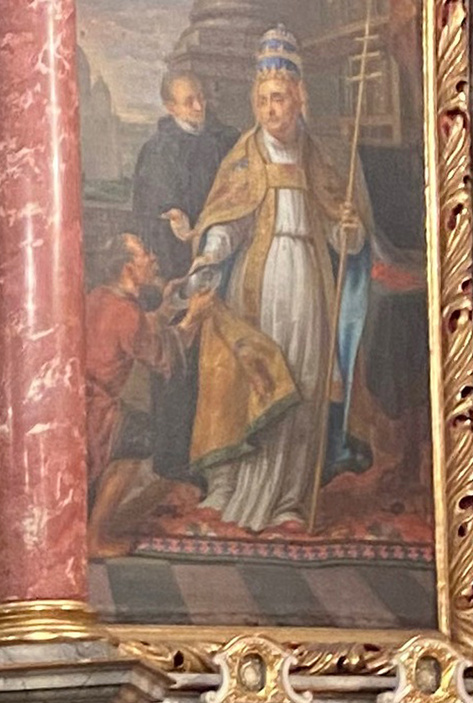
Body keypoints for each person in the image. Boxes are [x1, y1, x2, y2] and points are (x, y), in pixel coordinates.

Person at [183, 25, 372, 532]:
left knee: (304, 383)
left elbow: (344, 236)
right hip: (258, 285)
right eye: (264, 100)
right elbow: (226, 219)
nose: (272, 110)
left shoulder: (316, 158)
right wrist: (212, 254)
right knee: (256, 382)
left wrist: (348, 230)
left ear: (299, 99)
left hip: (308, 283)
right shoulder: (246, 156)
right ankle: (240, 492)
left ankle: (288, 498)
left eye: (281, 99)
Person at [130, 71, 236, 490]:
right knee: (175, 364)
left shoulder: (219, 140)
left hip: (212, 261)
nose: (198, 106)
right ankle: (173, 458)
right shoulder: (158, 151)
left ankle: (209, 452)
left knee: (212, 361)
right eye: (187, 101)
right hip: (175, 269)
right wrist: (174, 216)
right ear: (170, 107)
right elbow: (152, 209)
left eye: (200, 98)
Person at [83, 234, 179, 556]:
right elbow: (157, 354)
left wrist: (163, 310)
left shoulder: (97, 296)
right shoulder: (127, 312)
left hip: (80, 400)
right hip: (98, 410)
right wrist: (193, 319)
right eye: (144, 255)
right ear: (128, 268)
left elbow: (137, 331)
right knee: (139, 436)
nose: (152, 258)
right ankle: (95, 539)